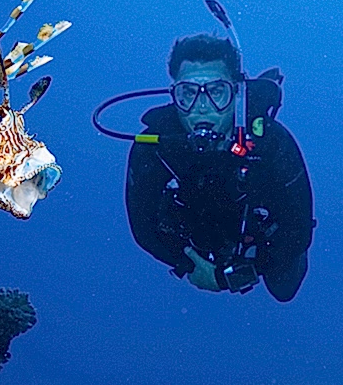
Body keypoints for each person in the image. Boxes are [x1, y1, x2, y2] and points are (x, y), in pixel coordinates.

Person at [124, 33, 315, 301]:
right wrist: (188, 263)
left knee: (284, 289)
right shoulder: (152, 147)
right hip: (196, 233)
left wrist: (234, 276)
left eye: (216, 92)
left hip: (256, 234)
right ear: (174, 94)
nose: (202, 108)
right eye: (188, 93)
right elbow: (143, 229)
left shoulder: (272, 143)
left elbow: (298, 229)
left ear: (236, 92)